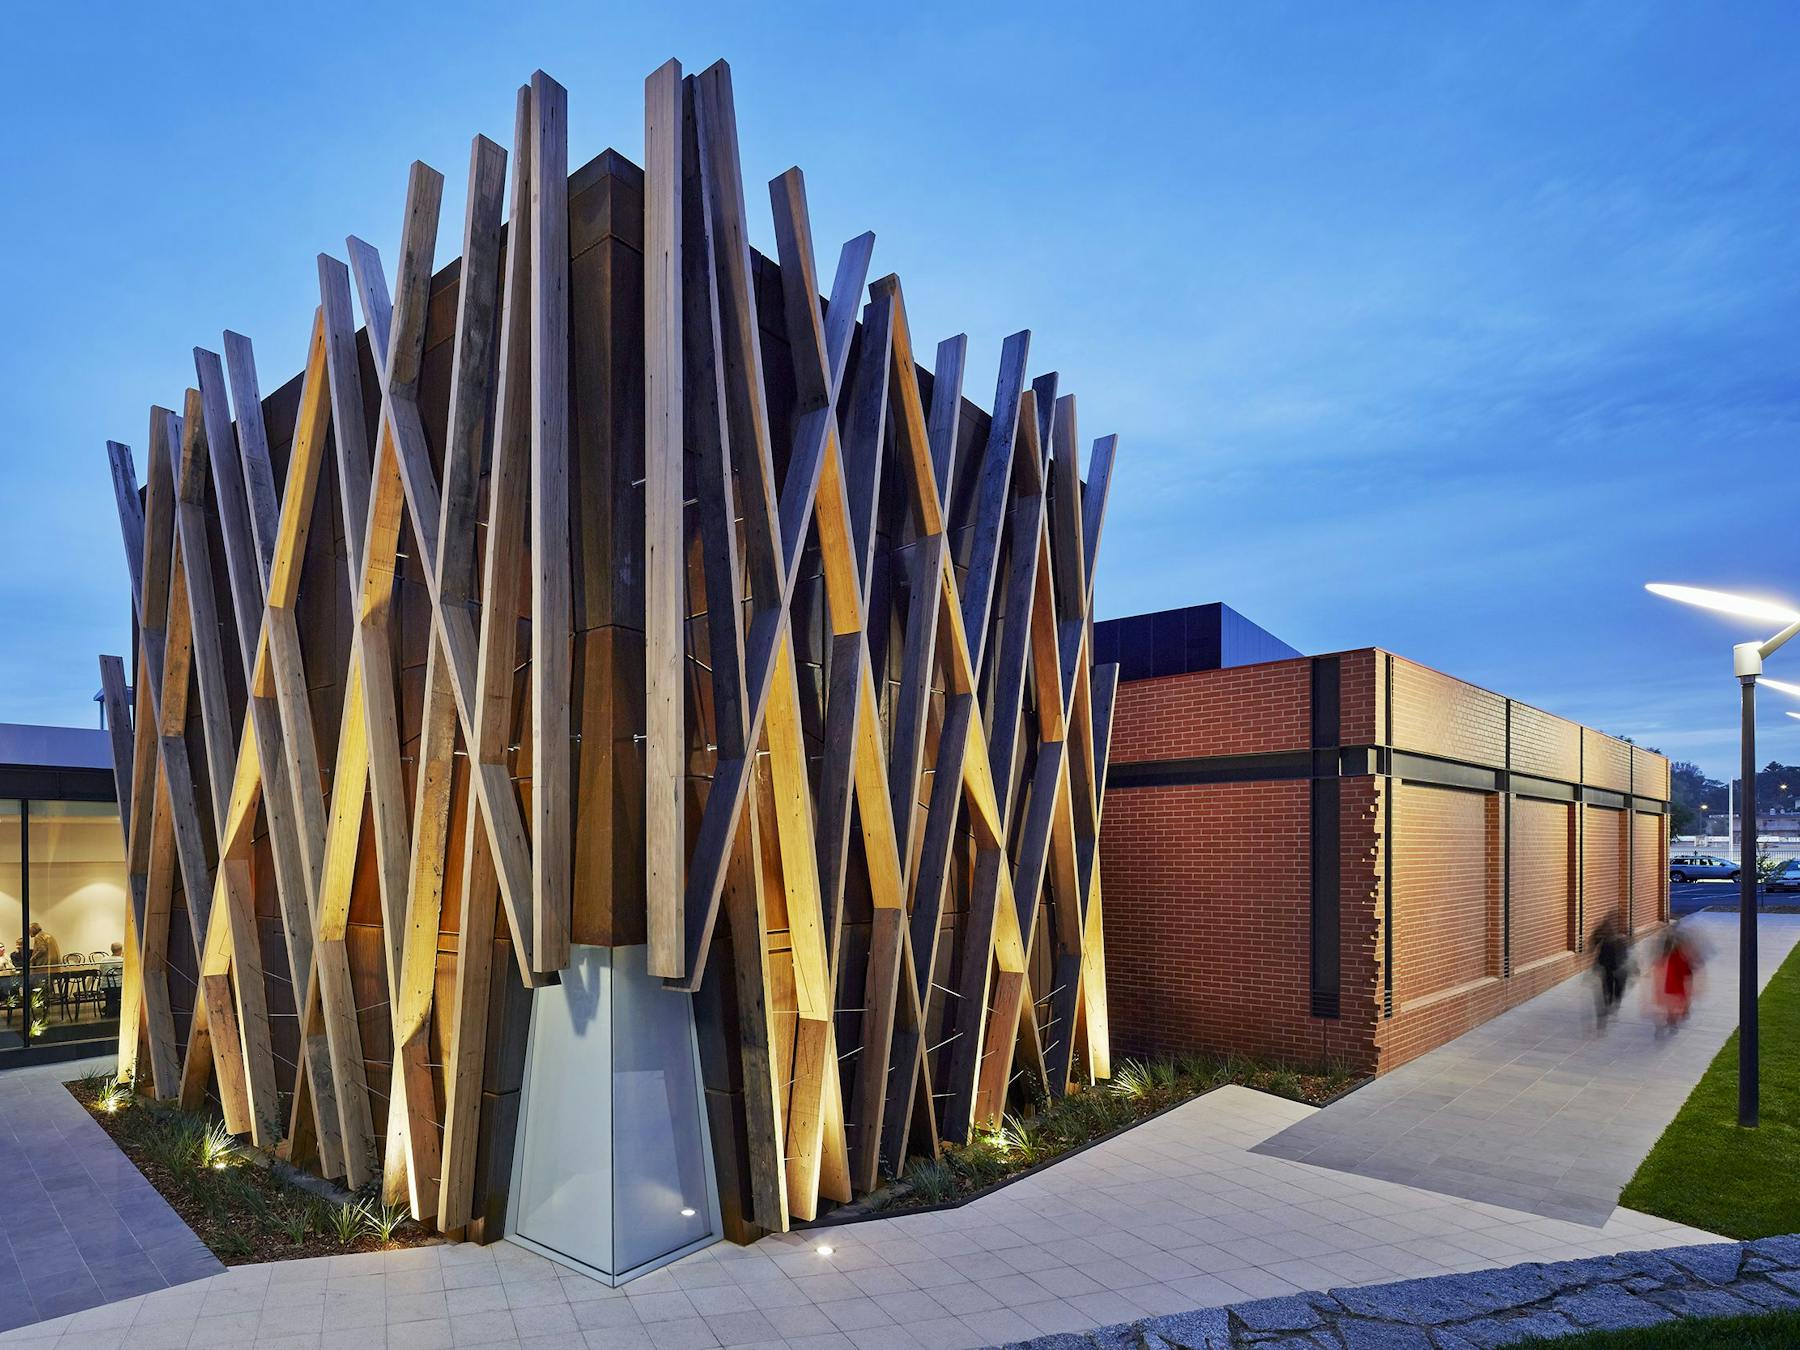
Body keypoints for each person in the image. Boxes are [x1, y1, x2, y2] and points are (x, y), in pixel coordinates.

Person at [1652, 927, 1701, 1033]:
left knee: (1669, 1005)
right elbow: (1686, 972)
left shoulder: (1664, 957)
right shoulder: (1678, 956)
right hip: (1676, 986)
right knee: (1675, 1005)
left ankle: (1667, 1022)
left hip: (1667, 986)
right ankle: (1672, 1023)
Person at [1592, 915, 1630, 1027]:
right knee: (1608, 989)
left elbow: (1625, 955)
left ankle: (1612, 1007)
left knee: (1615, 989)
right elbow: (1596, 949)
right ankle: (1608, 1008)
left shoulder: (1619, 939)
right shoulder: (1606, 940)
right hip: (1610, 969)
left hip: (1617, 969)